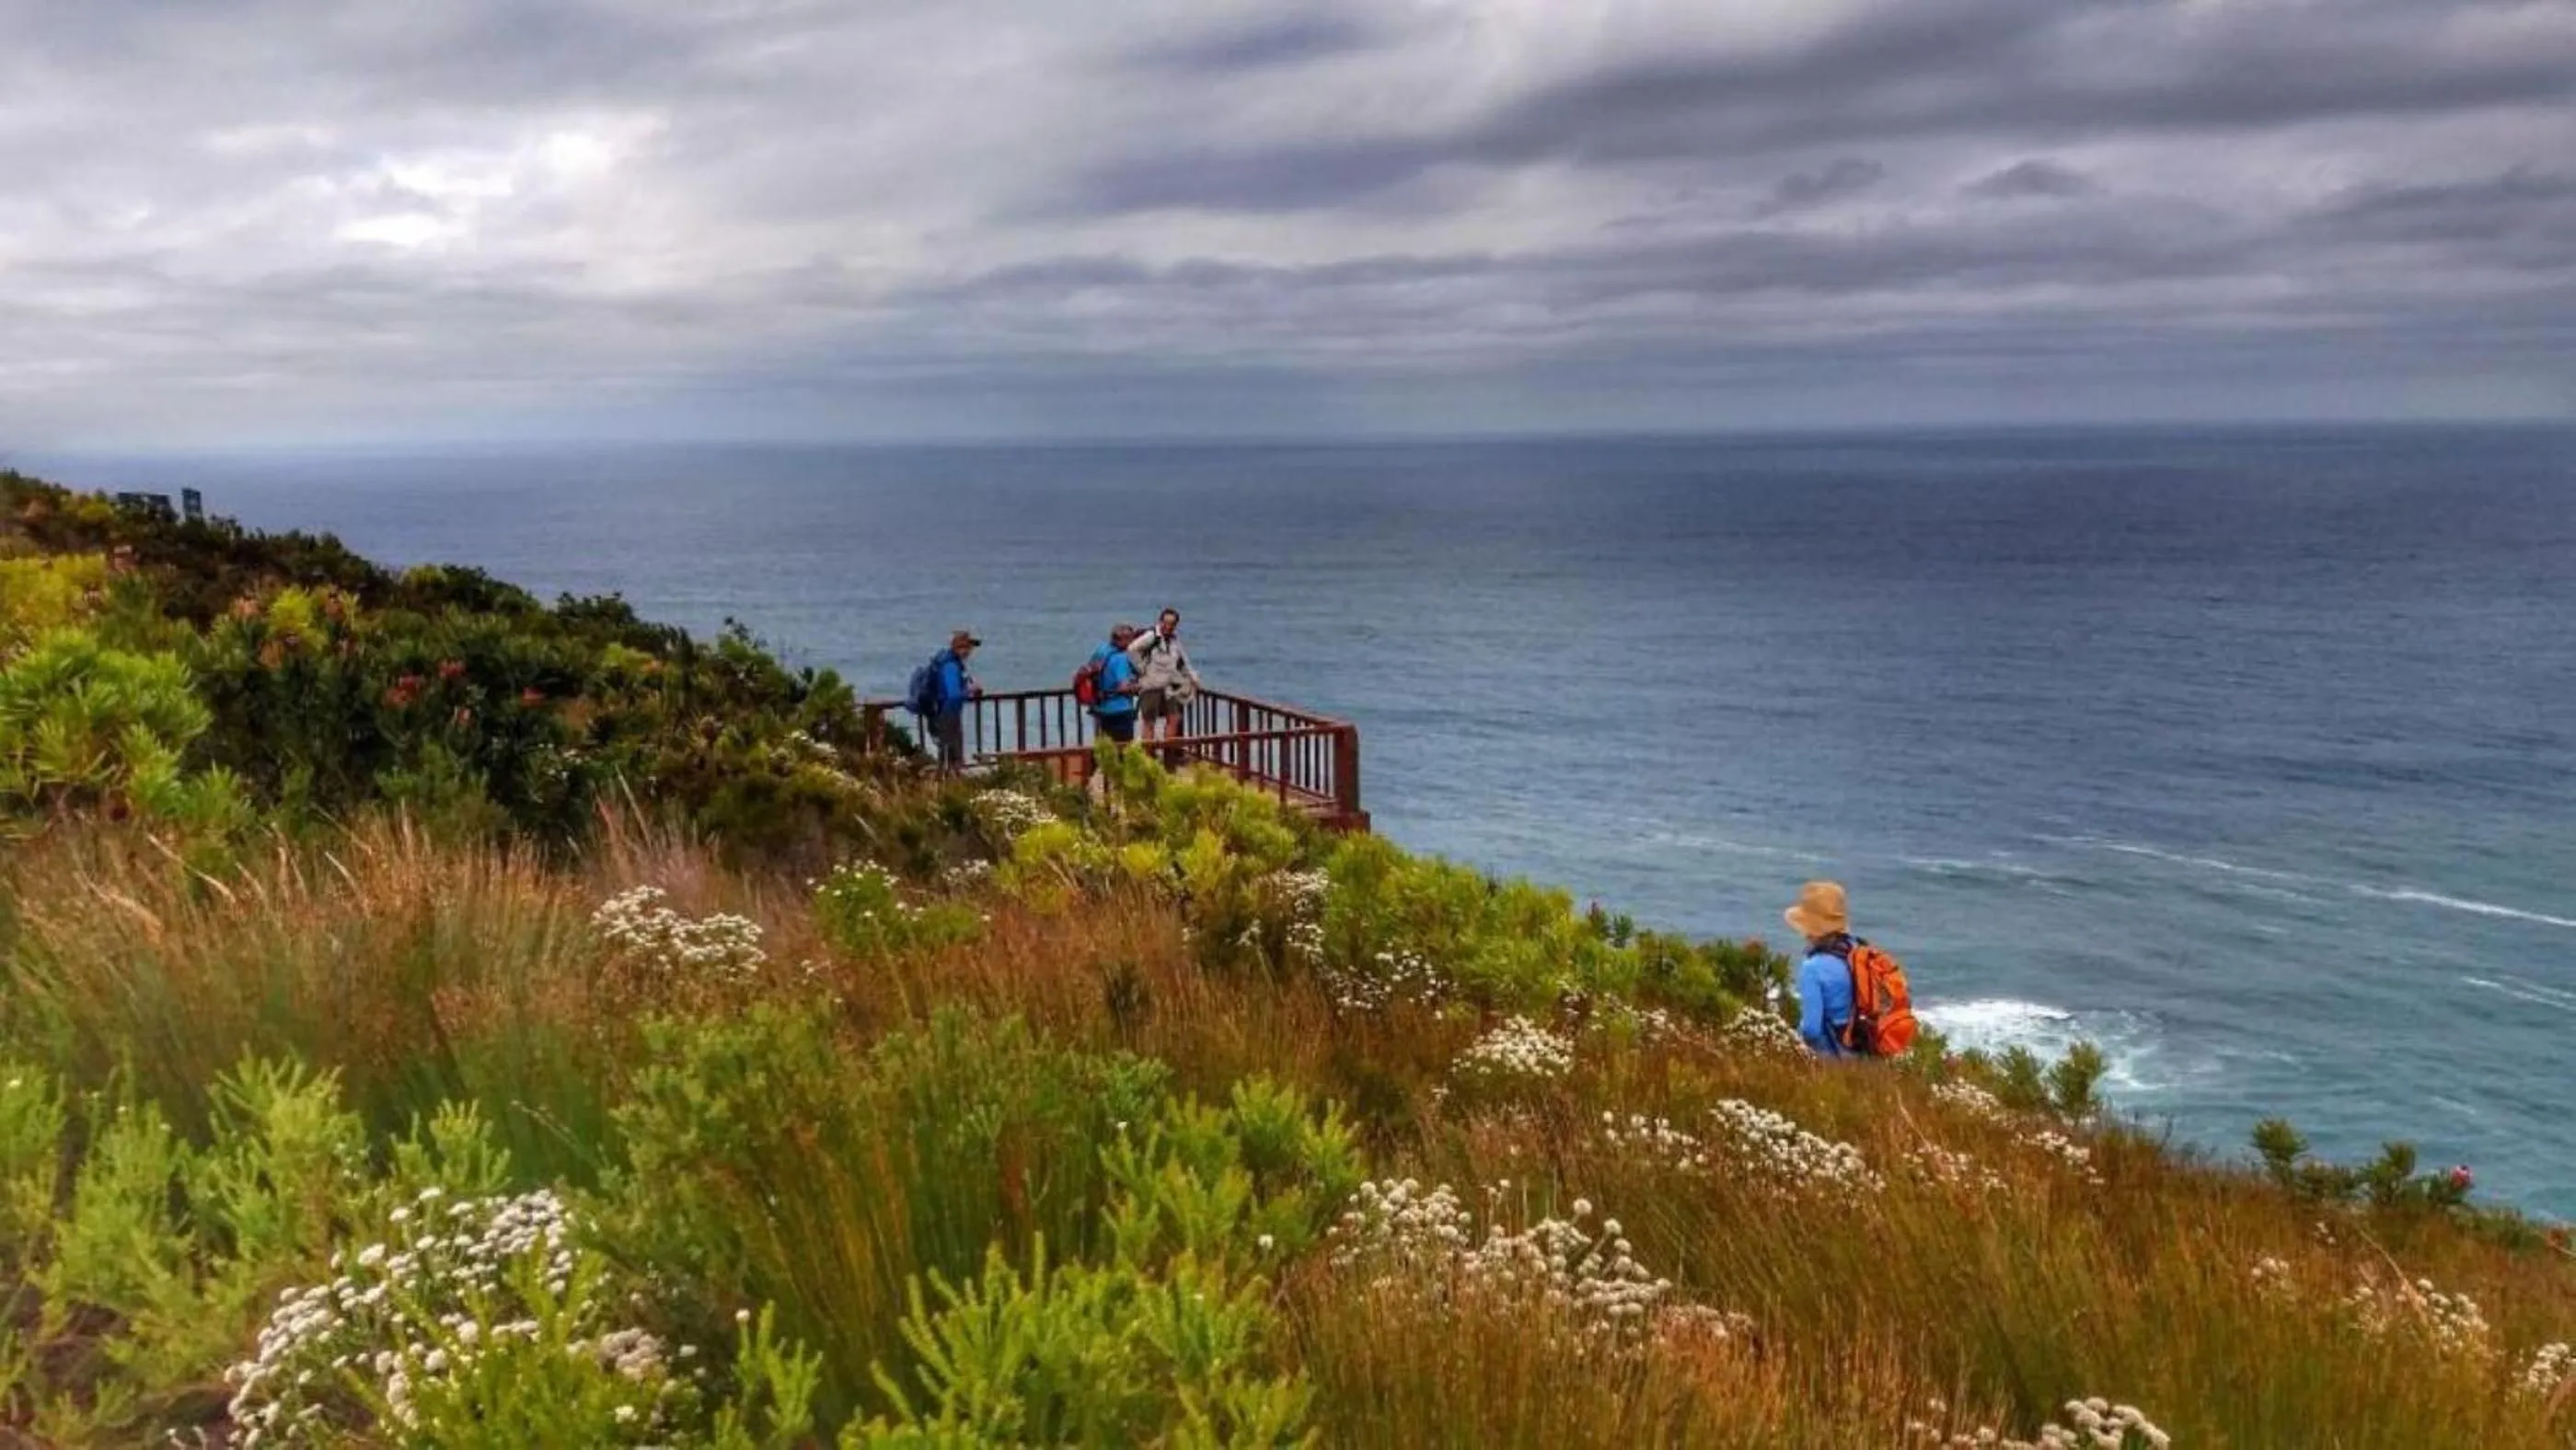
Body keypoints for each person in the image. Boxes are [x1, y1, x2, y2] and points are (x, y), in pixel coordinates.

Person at [1785, 880, 1859, 1057]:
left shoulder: (1813, 968)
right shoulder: (1856, 951)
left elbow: (1811, 1030)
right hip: (1866, 1056)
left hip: (1834, 1061)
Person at [1126, 607, 1203, 757]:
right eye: (1166, 623)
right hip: (1150, 686)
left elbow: (1183, 661)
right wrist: (1141, 668)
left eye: (1172, 624)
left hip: (1169, 687)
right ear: (1160, 621)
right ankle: (1148, 757)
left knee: (1174, 718)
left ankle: (1169, 757)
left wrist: (1194, 679)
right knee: (1149, 722)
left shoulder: (1174, 640)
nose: (1168, 626)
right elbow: (1131, 650)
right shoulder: (1151, 636)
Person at [931, 630, 983, 772]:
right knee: (951, 756)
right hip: (947, 714)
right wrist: (970, 691)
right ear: (960, 648)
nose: (970, 652)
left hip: (947, 713)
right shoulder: (951, 666)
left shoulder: (954, 664)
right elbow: (953, 695)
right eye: (968, 647)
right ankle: (948, 786)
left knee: (948, 755)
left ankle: (948, 783)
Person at [1088, 622, 1143, 747]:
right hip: (1120, 709)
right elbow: (1123, 687)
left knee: (1104, 747)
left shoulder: (1101, 650)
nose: (1132, 643)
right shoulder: (1120, 658)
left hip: (1101, 707)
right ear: (1122, 639)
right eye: (1130, 639)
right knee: (1123, 748)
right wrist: (1139, 687)